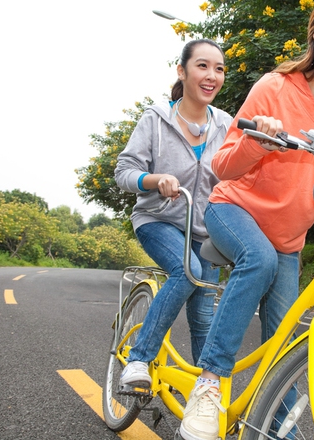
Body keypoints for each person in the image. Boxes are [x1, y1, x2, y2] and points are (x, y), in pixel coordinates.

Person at [178, 0, 314, 440]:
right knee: (256, 261)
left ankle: (281, 432)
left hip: (289, 240)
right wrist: (259, 142)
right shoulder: (274, 87)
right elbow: (222, 166)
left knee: (282, 348)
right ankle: (209, 385)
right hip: (234, 209)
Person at [114, 39, 232, 388]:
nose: (212, 75)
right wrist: (153, 179)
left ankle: (207, 397)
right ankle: (138, 359)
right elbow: (124, 171)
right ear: (182, 71)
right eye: (202, 66)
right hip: (158, 221)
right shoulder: (156, 119)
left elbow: (240, 170)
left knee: (203, 317)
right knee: (186, 272)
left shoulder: (226, 125)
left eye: (220, 68)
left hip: (206, 232)